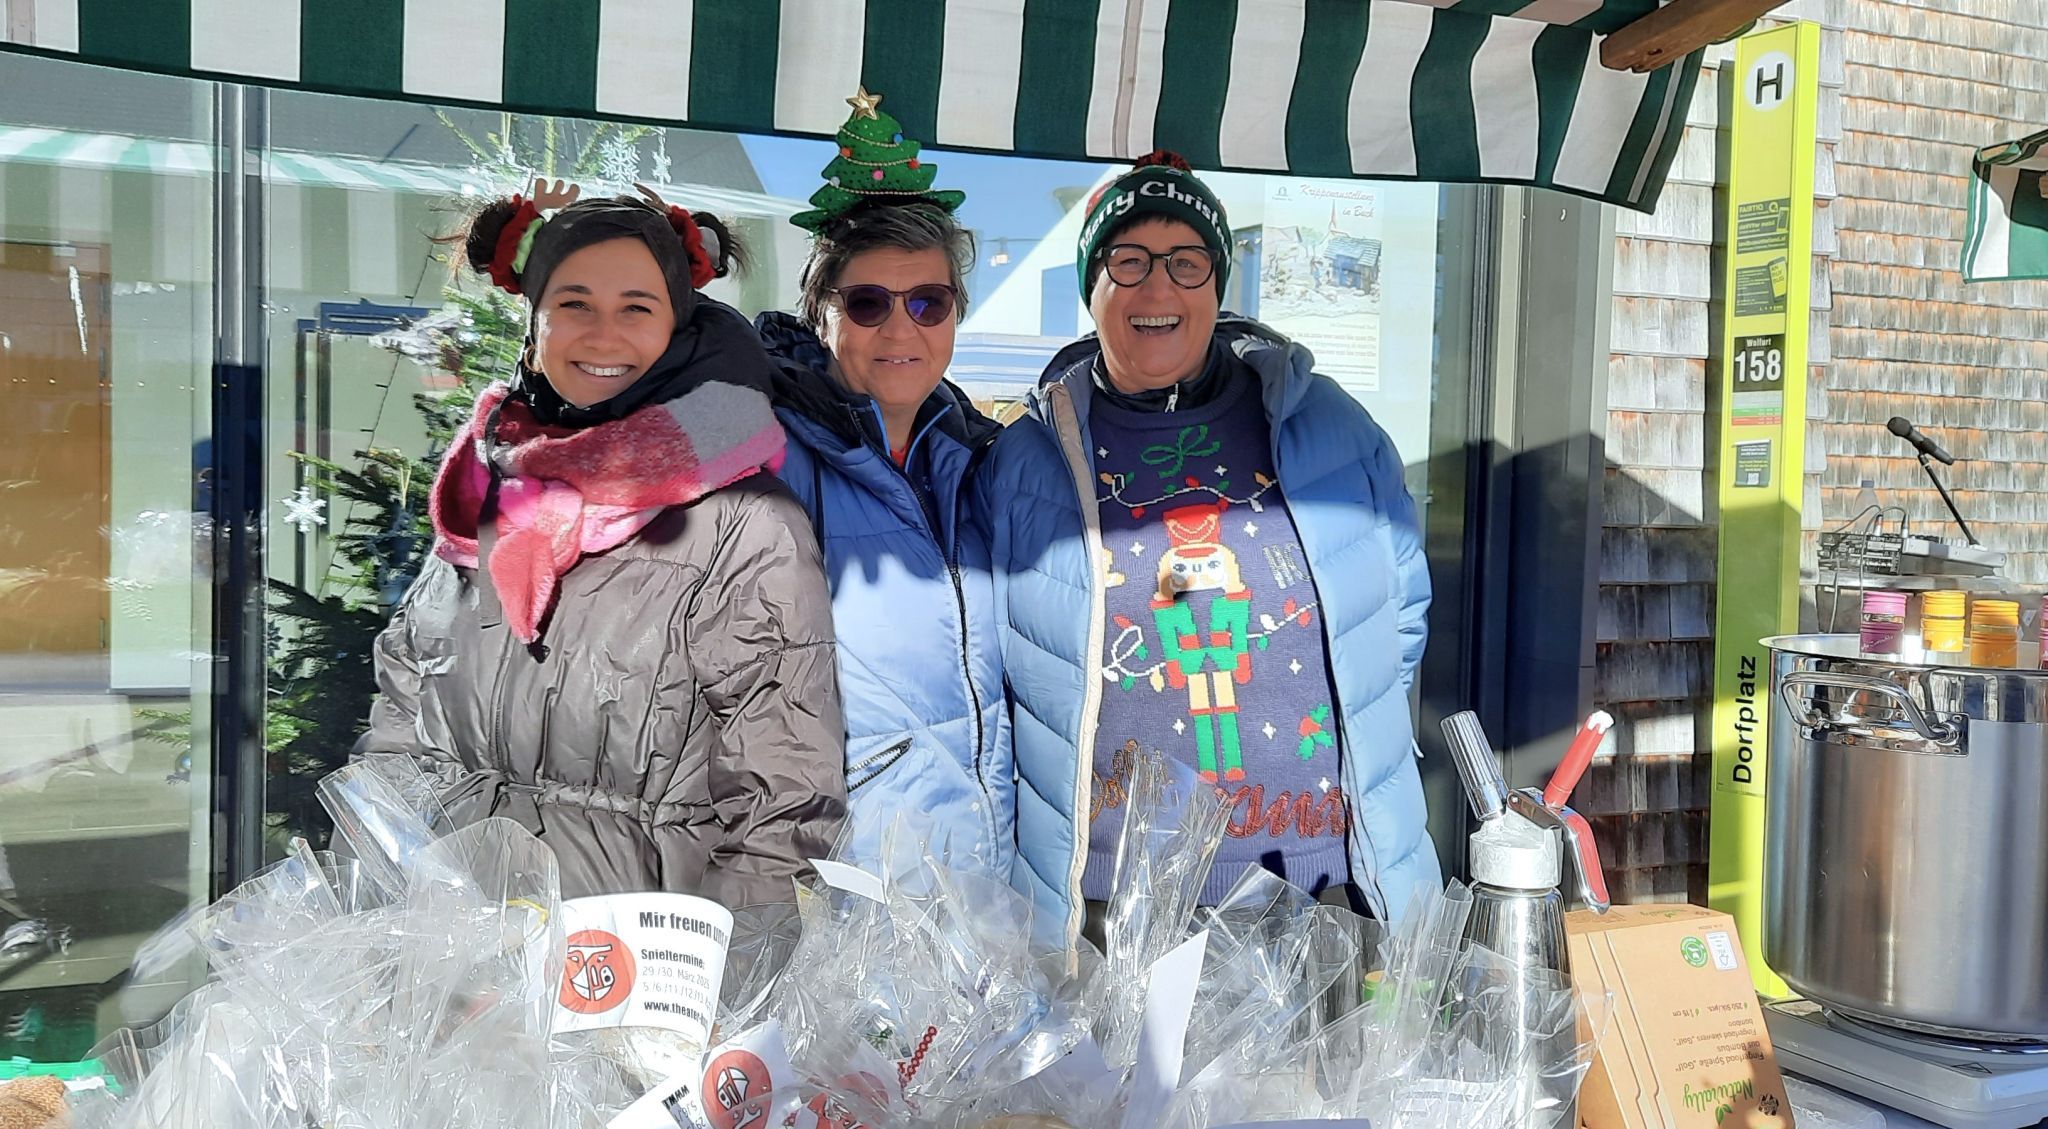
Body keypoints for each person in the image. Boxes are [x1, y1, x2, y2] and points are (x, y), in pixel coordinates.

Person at [981, 152, 1441, 947]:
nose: (1157, 288)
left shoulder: (1326, 422)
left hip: (1321, 888)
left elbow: (1398, 619)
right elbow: (996, 667)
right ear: (1091, 288)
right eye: (1127, 261)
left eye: (1186, 262)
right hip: (1106, 911)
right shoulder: (1030, 453)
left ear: (1218, 284)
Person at [357, 179, 845, 908]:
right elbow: (400, 722)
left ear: (678, 325)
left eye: (636, 308)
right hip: (460, 956)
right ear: (535, 323)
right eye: (573, 304)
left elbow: (783, 808)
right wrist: (369, 935)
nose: (602, 333)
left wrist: (718, 1002)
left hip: (635, 972)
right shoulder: (487, 490)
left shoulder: (744, 523)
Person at [751, 91, 1009, 871]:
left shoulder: (992, 465)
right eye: (868, 303)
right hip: (849, 898)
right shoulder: (765, 459)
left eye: (929, 302)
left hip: (992, 883)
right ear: (820, 312)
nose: (902, 329)